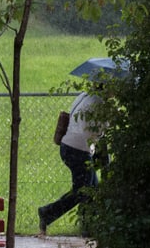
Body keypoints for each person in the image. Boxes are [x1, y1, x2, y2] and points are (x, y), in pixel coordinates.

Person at [38, 91, 104, 235]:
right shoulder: (99, 102)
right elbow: (97, 131)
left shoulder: (84, 95)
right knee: (83, 192)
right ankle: (47, 212)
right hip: (79, 150)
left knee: (92, 189)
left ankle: (89, 228)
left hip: (67, 146)